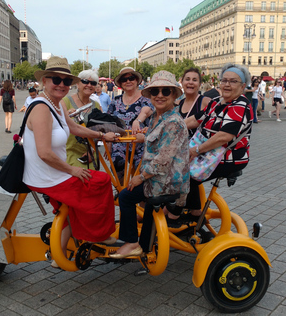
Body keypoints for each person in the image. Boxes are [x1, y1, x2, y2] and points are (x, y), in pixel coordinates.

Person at [22, 56, 118, 262]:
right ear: (44, 82)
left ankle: (64, 249)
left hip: (52, 172)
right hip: (46, 176)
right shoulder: (41, 107)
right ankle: (97, 234)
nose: (61, 85)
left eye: (66, 81)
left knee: (91, 183)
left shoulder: (55, 104)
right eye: (56, 80)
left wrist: (101, 135)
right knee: (101, 182)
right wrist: (72, 170)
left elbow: (74, 127)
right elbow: (44, 153)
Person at [109, 71, 190, 258]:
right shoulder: (157, 117)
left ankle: (131, 242)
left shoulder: (173, 122)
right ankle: (143, 244)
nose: (160, 95)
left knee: (125, 196)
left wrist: (141, 177)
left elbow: (162, 160)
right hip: (159, 179)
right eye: (155, 92)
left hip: (168, 183)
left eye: (166, 91)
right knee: (133, 195)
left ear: (174, 95)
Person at [184, 63, 253, 220]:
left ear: (243, 86)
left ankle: (179, 214)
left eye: (233, 81)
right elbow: (195, 119)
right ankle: (193, 211)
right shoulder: (216, 101)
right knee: (180, 166)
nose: (227, 85)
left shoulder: (241, 106)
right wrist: (169, 128)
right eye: (224, 80)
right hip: (209, 152)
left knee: (182, 172)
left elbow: (224, 136)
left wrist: (196, 151)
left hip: (228, 157)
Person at [107, 67, 154, 178]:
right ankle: (121, 190)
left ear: (137, 80)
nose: (128, 81)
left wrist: (138, 121)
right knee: (117, 163)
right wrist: (108, 141)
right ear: (120, 84)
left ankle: (137, 192)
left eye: (131, 78)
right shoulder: (116, 100)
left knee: (142, 170)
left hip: (140, 142)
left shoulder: (145, 97)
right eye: (124, 79)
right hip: (120, 142)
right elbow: (108, 120)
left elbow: (147, 110)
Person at [62, 70, 101, 169]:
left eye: (93, 83)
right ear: (78, 84)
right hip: (69, 151)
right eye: (85, 81)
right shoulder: (65, 102)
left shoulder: (96, 105)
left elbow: (100, 130)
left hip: (90, 153)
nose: (89, 85)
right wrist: (66, 115)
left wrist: (92, 150)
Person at [177, 67, 212, 137]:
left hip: (197, 146)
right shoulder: (177, 104)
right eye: (187, 79)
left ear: (199, 84)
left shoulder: (206, 102)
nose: (190, 82)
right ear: (182, 83)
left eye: (194, 80)